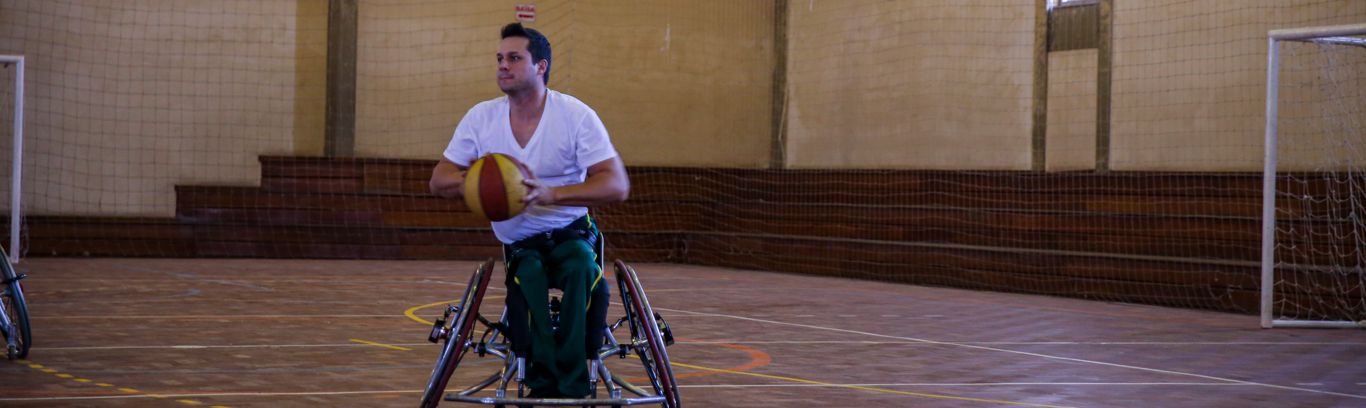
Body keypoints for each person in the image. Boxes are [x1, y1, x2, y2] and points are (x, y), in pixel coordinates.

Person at [429, 22, 630, 399]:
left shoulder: (575, 115)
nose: (503, 65)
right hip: (521, 242)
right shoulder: (481, 117)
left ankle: (572, 382)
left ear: (540, 66)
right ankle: (541, 377)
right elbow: (439, 179)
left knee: (585, 272)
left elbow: (617, 184)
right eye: (500, 59)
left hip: (572, 232)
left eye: (514, 58)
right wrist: (476, 181)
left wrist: (550, 194)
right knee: (530, 277)